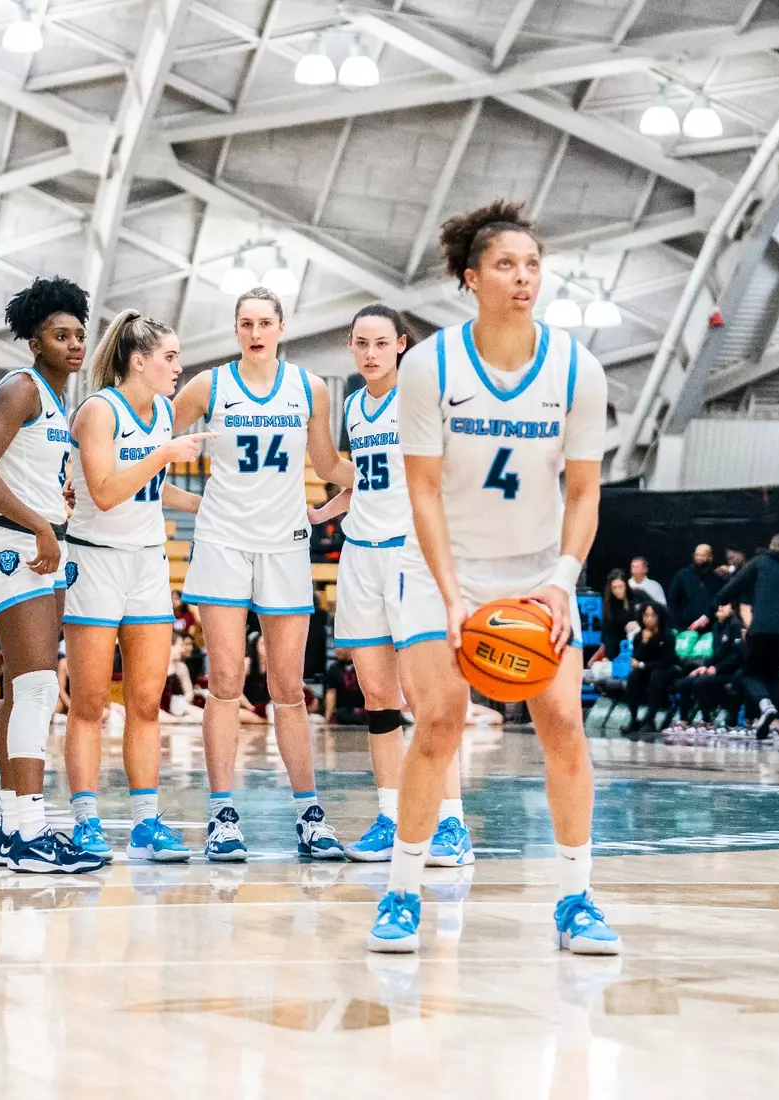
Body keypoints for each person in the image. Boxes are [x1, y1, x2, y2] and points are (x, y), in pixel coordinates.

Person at [365, 200, 616, 955]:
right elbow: (424, 492)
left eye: (533, 264)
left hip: (539, 574)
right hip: (440, 567)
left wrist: (564, 579)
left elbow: (584, 493)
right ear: (471, 279)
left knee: (565, 726)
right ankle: (402, 891)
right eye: (506, 265)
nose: (523, 277)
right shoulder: (429, 365)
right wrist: (449, 595)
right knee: (439, 721)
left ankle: (577, 899)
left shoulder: (578, 368)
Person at [171, 285, 356, 861]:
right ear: (235, 330)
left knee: (287, 689)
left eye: (264, 323)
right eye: (245, 323)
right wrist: (195, 504)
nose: (255, 333)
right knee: (225, 682)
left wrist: (383, 468)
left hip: (285, 545)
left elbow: (326, 465)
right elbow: (153, 448)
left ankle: (310, 814)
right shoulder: (209, 386)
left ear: (281, 328)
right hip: (224, 542)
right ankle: (222, 815)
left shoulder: (310, 388)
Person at [306, 305, 470, 865]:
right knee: (378, 696)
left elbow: (440, 479)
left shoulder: (424, 399)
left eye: (380, 342)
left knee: (428, 698)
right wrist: (320, 514)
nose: (370, 352)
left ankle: (451, 823)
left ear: (401, 344)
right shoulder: (354, 404)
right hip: (361, 555)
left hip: (410, 555)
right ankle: (390, 814)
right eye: (360, 343)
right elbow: (366, 483)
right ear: (351, 349)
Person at [0, 277, 105, 875]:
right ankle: (27, 831)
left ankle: (14, 827)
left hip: (37, 544)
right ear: (34, 339)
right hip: (12, 545)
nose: (73, 344)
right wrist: (41, 525)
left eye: (78, 334)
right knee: (38, 689)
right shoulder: (21, 390)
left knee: (25, 690)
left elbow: (26, 472)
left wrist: (57, 503)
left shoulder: (57, 397)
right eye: (59, 334)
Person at [61, 309, 207, 864]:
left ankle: (147, 822)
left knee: (147, 703)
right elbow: (102, 492)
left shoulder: (165, 413)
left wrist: (213, 504)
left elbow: (157, 492)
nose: (177, 367)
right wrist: (162, 454)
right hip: (95, 562)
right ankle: (86, 822)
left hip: (147, 564)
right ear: (138, 361)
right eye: (169, 357)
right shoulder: (98, 411)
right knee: (91, 704)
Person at [714, 533, 779, 738]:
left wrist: (715, 603)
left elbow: (734, 586)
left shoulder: (760, 562)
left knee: (750, 673)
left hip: (762, 628)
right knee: (772, 674)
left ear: (771, 547)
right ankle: (774, 724)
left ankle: (765, 706)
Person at [672, 600, 744, 726]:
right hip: (714, 669)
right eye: (719, 605)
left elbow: (737, 656)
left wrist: (717, 668)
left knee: (700, 683)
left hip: (730, 672)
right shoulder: (716, 627)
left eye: (725, 604)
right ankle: (683, 720)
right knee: (685, 682)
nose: (720, 607)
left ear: (732, 609)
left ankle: (707, 720)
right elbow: (716, 654)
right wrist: (703, 667)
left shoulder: (736, 626)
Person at [623, 602, 676, 732]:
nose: (649, 619)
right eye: (646, 615)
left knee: (656, 675)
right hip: (647, 669)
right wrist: (644, 643)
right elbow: (636, 658)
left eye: (653, 615)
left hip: (666, 669)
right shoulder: (638, 636)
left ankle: (651, 720)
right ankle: (634, 719)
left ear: (659, 617)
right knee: (633, 676)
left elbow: (665, 661)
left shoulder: (668, 635)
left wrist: (643, 665)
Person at [667, 544, 719, 631]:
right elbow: (673, 600)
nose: (698, 558)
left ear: (710, 557)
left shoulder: (717, 578)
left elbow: (718, 602)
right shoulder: (683, 575)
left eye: (702, 555)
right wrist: (679, 624)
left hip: (710, 628)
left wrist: (708, 616)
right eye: (696, 554)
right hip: (686, 627)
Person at [598, 569, 635, 660]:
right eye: (614, 588)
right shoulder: (609, 604)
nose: (618, 590)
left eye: (620, 586)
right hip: (615, 646)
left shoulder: (635, 599)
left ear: (626, 585)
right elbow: (608, 631)